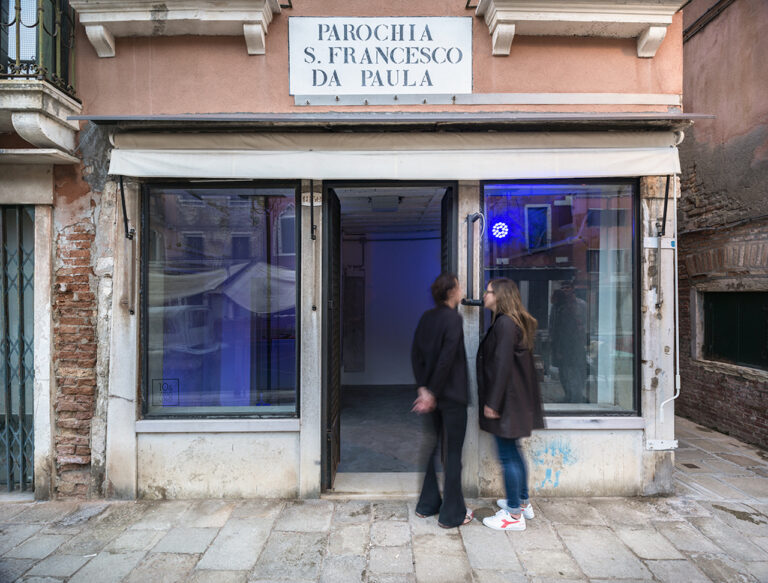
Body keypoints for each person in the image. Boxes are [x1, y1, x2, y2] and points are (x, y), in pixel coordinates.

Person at [477, 278, 545, 531]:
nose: (485, 294)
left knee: (507, 455)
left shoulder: (504, 324)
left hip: (507, 402)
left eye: (489, 291)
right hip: (515, 400)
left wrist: (492, 402)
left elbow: (502, 365)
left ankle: (513, 515)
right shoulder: (511, 322)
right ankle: (522, 503)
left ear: (500, 296)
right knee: (514, 452)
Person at [411, 272, 472, 528]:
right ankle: (451, 515)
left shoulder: (427, 317)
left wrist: (423, 389)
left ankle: (427, 505)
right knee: (453, 453)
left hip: (431, 397)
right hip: (452, 396)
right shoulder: (453, 319)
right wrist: (433, 392)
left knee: (432, 447)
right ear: (451, 292)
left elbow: (415, 354)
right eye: (459, 287)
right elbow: (447, 358)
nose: (462, 291)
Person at [549, 280, 588, 403]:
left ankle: (576, 397)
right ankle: (569, 395)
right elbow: (553, 325)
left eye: (567, 288)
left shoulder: (581, 305)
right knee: (563, 372)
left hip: (576, 344)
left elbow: (585, 323)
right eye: (563, 288)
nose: (565, 290)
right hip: (561, 344)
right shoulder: (557, 306)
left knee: (576, 371)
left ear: (573, 289)